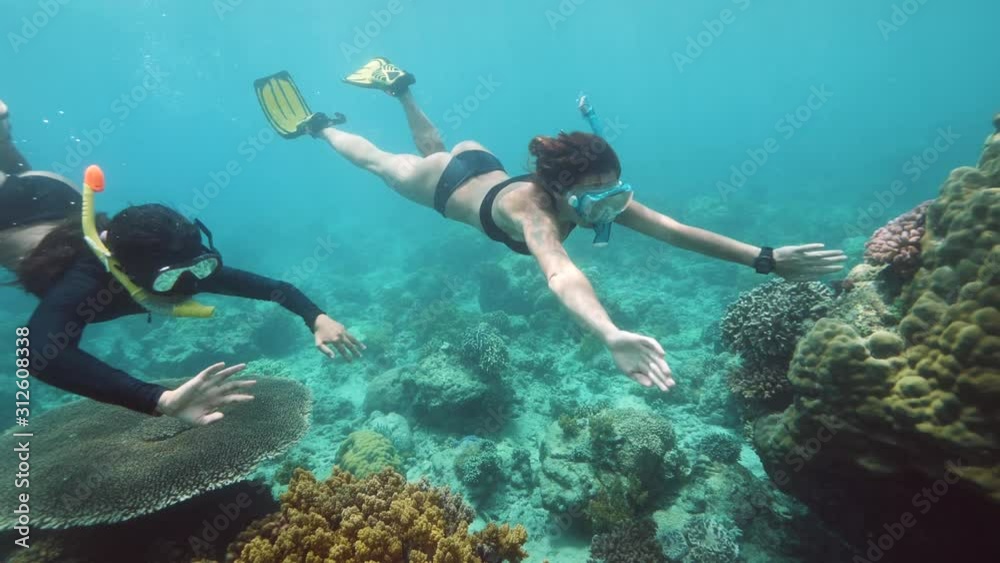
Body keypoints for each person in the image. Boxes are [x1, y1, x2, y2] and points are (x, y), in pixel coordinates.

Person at [253, 58, 847, 392]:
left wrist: (763, 257)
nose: (610, 208)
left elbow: (674, 229)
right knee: (382, 163)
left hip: (480, 164)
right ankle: (320, 126)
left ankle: (403, 91)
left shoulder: (597, 198)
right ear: (560, 191)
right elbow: (560, 273)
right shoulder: (532, 211)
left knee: (434, 145)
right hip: (446, 182)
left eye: (616, 193)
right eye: (597, 198)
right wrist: (609, 332)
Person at [0, 98, 364, 425]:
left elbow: (276, 289)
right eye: (167, 280)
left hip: (54, 195)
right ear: (128, 271)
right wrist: (160, 399)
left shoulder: (181, 264)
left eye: (201, 267)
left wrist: (316, 317)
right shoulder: (86, 282)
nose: (188, 286)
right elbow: (39, 355)